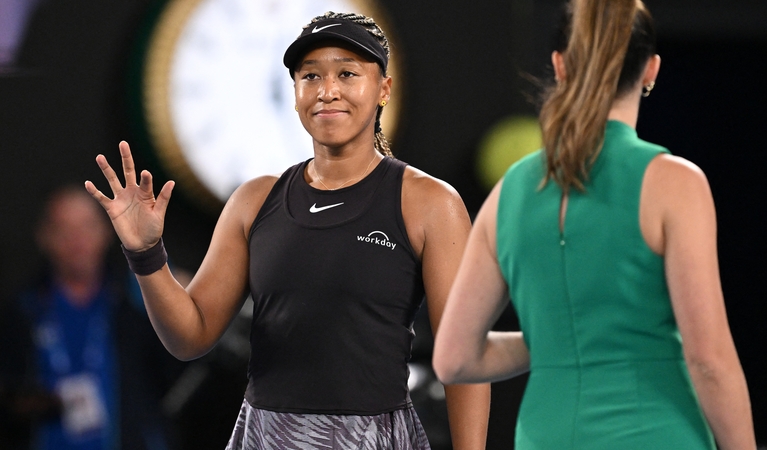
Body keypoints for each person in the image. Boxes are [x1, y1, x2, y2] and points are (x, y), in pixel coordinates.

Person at [85, 11, 490, 450]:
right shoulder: (254, 200)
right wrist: (146, 255)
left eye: (347, 73)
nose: (327, 91)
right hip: (265, 436)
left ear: (383, 89)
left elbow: (462, 358)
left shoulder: (430, 203)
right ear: (295, 93)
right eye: (310, 76)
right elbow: (191, 335)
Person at [432, 0, 756, 448]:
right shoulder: (676, 183)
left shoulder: (510, 190)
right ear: (650, 71)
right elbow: (709, 361)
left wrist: (558, 341)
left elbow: (453, 360)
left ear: (560, 65)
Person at [12, 185, 185, 450]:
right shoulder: (23, 311)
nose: (77, 240)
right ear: (44, 236)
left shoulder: (133, 301)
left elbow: (181, 363)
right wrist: (39, 403)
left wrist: (168, 291)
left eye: (87, 226)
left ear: (107, 232)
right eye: (64, 230)